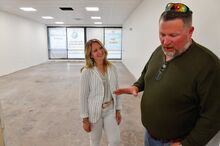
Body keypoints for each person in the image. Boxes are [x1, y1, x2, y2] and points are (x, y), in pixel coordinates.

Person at [114, 3, 220, 146]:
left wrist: (188, 143)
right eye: (162, 34)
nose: (165, 41)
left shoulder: (208, 65)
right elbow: (147, 72)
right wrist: (137, 86)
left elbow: (213, 115)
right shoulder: (159, 51)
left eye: (173, 35)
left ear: (190, 31)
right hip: (149, 135)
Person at [79, 39, 122, 146]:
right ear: (91, 55)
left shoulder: (113, 68)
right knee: (95, 142)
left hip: (110, 110)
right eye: (95, 50)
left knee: (115, 141)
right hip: (94, 112)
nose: (99, 52)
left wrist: (118, 110)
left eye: (100, 48)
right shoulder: (87, 72)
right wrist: (85, 119)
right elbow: (83, 97)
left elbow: (117, 90)